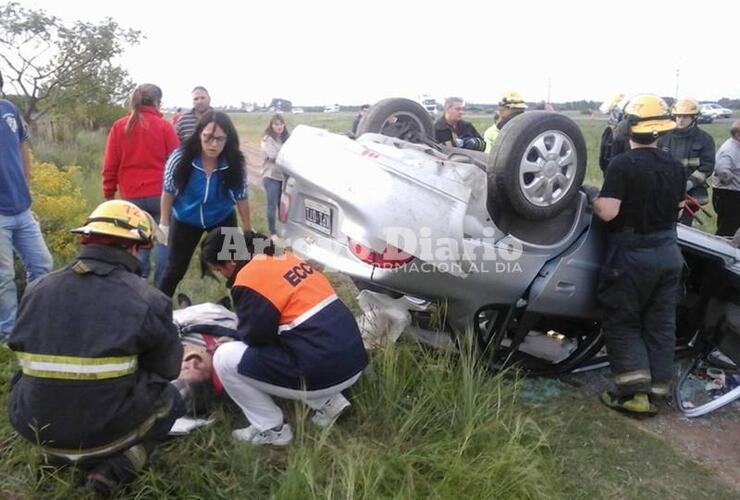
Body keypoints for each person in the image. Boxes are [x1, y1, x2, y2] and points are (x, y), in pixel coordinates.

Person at [7, 200, 184, 495]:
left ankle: (58, 454)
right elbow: (167, 369)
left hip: (35, 427)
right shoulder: (148, 299)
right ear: (133, 248)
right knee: (170, 398)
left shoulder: (38, 289)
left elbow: (20, 349)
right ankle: (118, 467)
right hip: (104, 432)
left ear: (85, 239)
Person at [200, 228, 369, 446]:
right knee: (292, 335)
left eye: (217, 269)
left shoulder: (248, 278)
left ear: (229, 263)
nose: (221, 274)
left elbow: (255, 337)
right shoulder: (283, 257)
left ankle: (272, 430)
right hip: (355, 359)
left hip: (325, 371)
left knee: (224, 357)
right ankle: (330, 402)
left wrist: (235, 337)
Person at [587, 94, 686, 416]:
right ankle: (660, 388)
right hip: (669, 254)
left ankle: (633, 394)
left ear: (628, 127)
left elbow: (608, 213)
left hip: (632, 257)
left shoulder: (622, 165)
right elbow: (677, 207)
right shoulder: (674, 165)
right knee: (660, 323)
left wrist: (591, 197)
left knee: (623, 321)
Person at [159, 111, 252, 297]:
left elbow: (241, 196)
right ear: (199, 133)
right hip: (185, 219)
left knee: (240, 267)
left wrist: (248, 230)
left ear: (228, 139)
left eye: (220, 139)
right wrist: (164, 224)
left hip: (222, 217)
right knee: (174, 269)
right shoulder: (180, 158)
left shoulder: (234, 162)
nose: (214, 144)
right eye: (208, 137)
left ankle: (242, 310)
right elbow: (168, 192)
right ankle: (156, 312)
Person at [101, 83, 179, 285]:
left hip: (131, 197)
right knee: (163, 240)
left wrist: (109, 194)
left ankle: (138, 284)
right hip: (161, 196)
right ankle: (161, 289)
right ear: (157, 102)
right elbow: (177, 163)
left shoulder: (120, 127)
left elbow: (110, 164)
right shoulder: (164, 127)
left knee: (137, 243)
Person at [0, 70, 53, 342]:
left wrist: (26, 184)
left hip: (21, 207)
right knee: (3, 279)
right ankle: (9, 336)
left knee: (43, 264)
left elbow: (22, 147)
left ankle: (34, 320)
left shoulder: (8, 109)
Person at [658, 97, 715, 226]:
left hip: (692, 192)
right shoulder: (664, 138)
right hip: (665, 190)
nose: (681, 120)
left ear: (694, 117)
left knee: (684, 227)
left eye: (685, 116)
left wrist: (689, 184)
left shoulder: (705, 139)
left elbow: (707, 167)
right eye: (678, 116)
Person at [260, 115, 290, 239]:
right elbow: (273, 156)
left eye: (281, 124)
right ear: (271, 126)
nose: (279, 126)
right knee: (272, 205)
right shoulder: (267, 139)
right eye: (276, 124)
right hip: (271, 176)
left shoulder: (286, 139)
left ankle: (283, 230)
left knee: (282, 205)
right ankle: (272, 232)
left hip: (283, 177)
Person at [709, 121, 740, 236]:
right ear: (737, 135)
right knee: (728, 229)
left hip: (732, 194)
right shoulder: (730, 150)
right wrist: (731, 179)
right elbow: (722, 169)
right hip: (728, 195)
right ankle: (720, 251)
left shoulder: (737, 146)